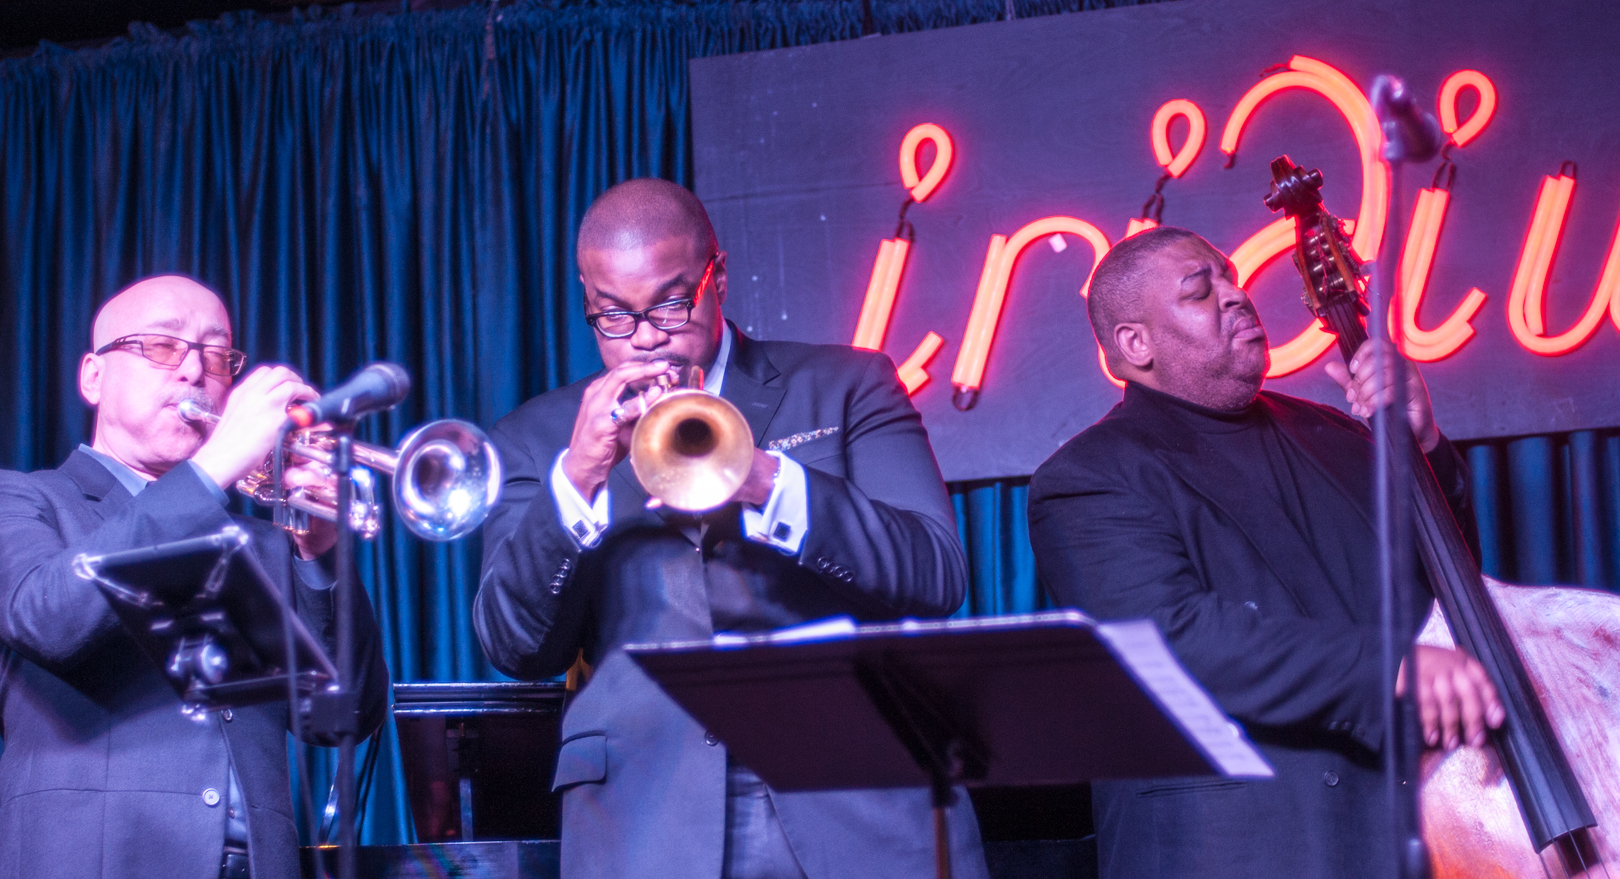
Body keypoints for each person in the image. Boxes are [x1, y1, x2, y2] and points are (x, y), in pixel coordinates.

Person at [475, 178, 988, 879]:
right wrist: (578, 481)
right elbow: (515, 644)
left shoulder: (849, 384)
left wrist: (769, 481)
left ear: (718, 272)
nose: (647, 336)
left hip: (859, 798)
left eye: (670, 302)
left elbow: (935, 572)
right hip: (646, 815)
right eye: (613, 317)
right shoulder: (535, 439)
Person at [1027, 227, 1505, 879]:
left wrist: (1422, 444)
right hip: (1244, 848)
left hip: (1414, 833)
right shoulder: (1089, 476)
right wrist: (1385, 665)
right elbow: (1173, 642)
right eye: (1202, 289)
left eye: (1232, 279)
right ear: (1133, 344)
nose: (1235, 296)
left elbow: (1447, 594)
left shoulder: (1338, 432)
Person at [0, 275, 390, 879]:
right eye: (161, 346)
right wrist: (211, 469)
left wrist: (319, 555)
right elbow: (48, 619)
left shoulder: (263, 542)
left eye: (216, 354)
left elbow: (346, 714)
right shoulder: (26, 500)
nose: (192, 371)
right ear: (93, 377)